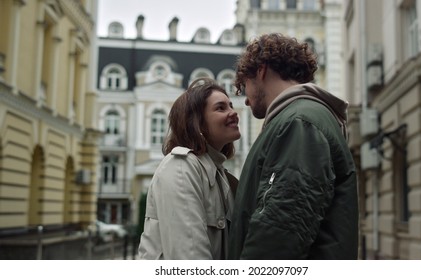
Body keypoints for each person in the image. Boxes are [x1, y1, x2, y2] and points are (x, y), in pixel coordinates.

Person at [228, 33, 358, 259]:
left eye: (244, 85)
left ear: (261, 71)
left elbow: (280, 228)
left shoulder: (298, 123)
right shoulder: (299, 119)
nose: (246, 100)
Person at [138, 78, 241, 260]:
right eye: (221, 108)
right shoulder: (181, 167)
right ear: (197, 123)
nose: (233, 113)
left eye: (231, 106)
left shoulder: (221, 176)